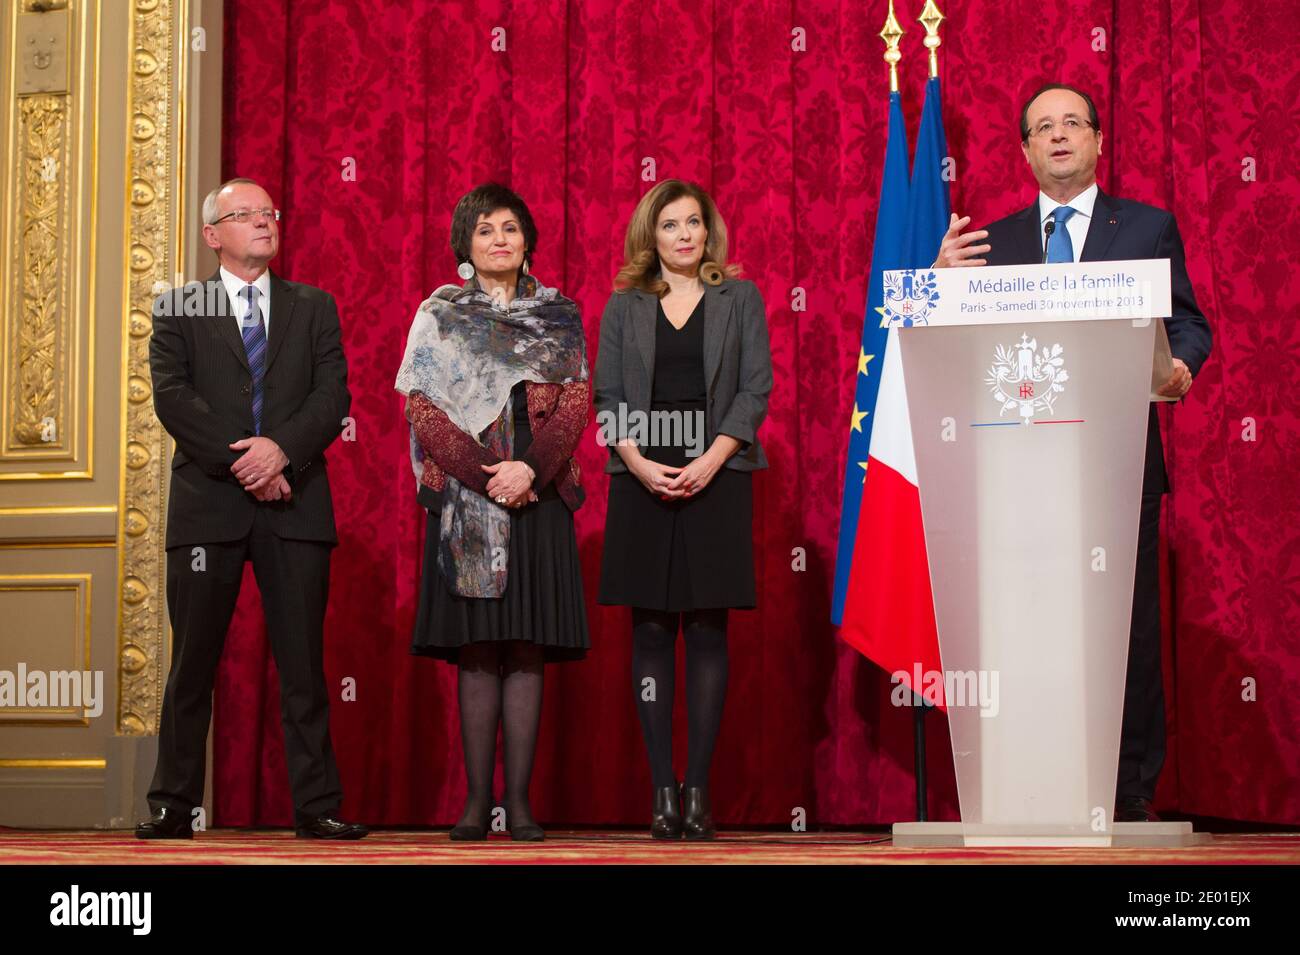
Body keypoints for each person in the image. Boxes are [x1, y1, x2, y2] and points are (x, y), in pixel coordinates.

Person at [933, 83, 1213, 823]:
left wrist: (1179, 368)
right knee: (1025, 618)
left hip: (1118, 465)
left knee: (1125, 627)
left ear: (1096, 140)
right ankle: (1026, 775)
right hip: (1017, 471)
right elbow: (950, 344)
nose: (1058, 136)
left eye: (1072, 124)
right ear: (1024, 149)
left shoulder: (1148, 227)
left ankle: (1125, 791)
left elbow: (1188, 325)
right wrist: (941, 285)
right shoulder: (990, 244)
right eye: (1042, 128)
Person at [139, 178, 366, 840]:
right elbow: (173, 397)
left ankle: (317, 803)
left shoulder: (313, 306)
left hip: (296, 504)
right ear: (213, 234)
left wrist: (280, 453)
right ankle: (172, 803)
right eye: (246, 215)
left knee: (303, 665)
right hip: (209, 507)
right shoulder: (179, 307)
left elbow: (332, 396)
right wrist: (248, 462)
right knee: (193, 665)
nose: (265, 222)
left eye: (270, 212)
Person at [398, 184, 590, 842]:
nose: (499, 239)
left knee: (527, 648)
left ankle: (523, 803)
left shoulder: (557, 311)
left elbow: (574, 404)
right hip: (466, 496)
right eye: (485, 230)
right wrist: (486, 476)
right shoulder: (440, 313)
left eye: (510, 228)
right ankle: (478, 802)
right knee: (478, 649)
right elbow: (422, 407)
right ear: (466, 245)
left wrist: (528, 470)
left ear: (527, 239)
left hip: (538, 494)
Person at [595, 179, 772, 840]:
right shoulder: (623, 305)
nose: (685, 234)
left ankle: (698, 787)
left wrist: (711, 459)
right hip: (641, 474)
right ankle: (661, 790)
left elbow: (756, 388)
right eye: (671, 224)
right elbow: (608, 395)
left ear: (708, 230)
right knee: (648, 631)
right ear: (652, 235)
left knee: (705, 631)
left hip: (717, 472)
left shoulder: (740, 297)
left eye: (694, 222)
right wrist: (640, 464)